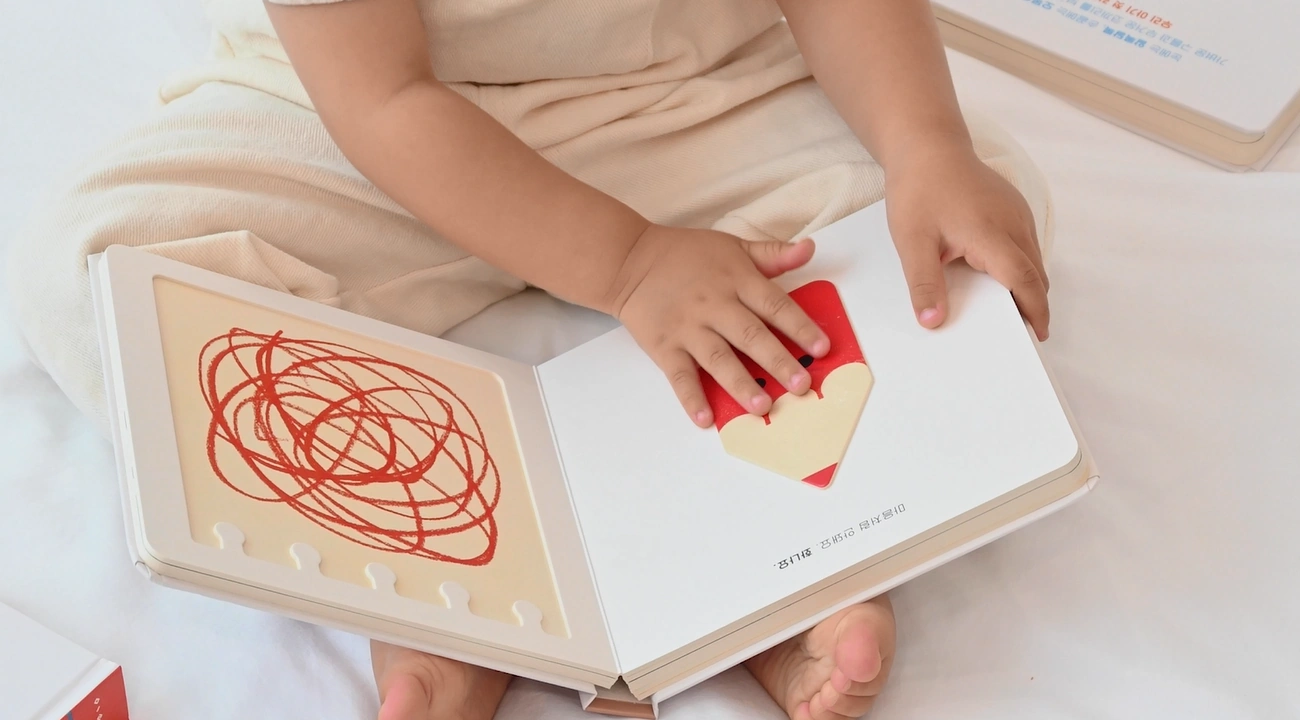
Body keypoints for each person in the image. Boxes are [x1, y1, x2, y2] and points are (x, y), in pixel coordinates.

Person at [7, 0, 1053, 717]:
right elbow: (380, 99)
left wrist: (925, 147)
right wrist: (630, 266)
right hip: (363, 119)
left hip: (684, 92)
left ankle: (764, 573)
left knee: (960, 228)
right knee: (96, 270)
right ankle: (446, 593)